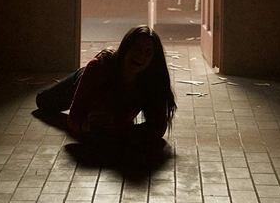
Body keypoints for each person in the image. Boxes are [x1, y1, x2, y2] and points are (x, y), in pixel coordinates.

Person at [35, 25, 177, 148]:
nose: (141, 56)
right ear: (126, 47)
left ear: (153, 60)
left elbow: (158, 127)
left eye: (148, 53)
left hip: (113, 120)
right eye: (137, 48)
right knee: (43, 101)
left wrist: (119, 130)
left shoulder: (152, 80)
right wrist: (86, 125)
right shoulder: (99, 68)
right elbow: (74, 118)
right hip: (86, 80)